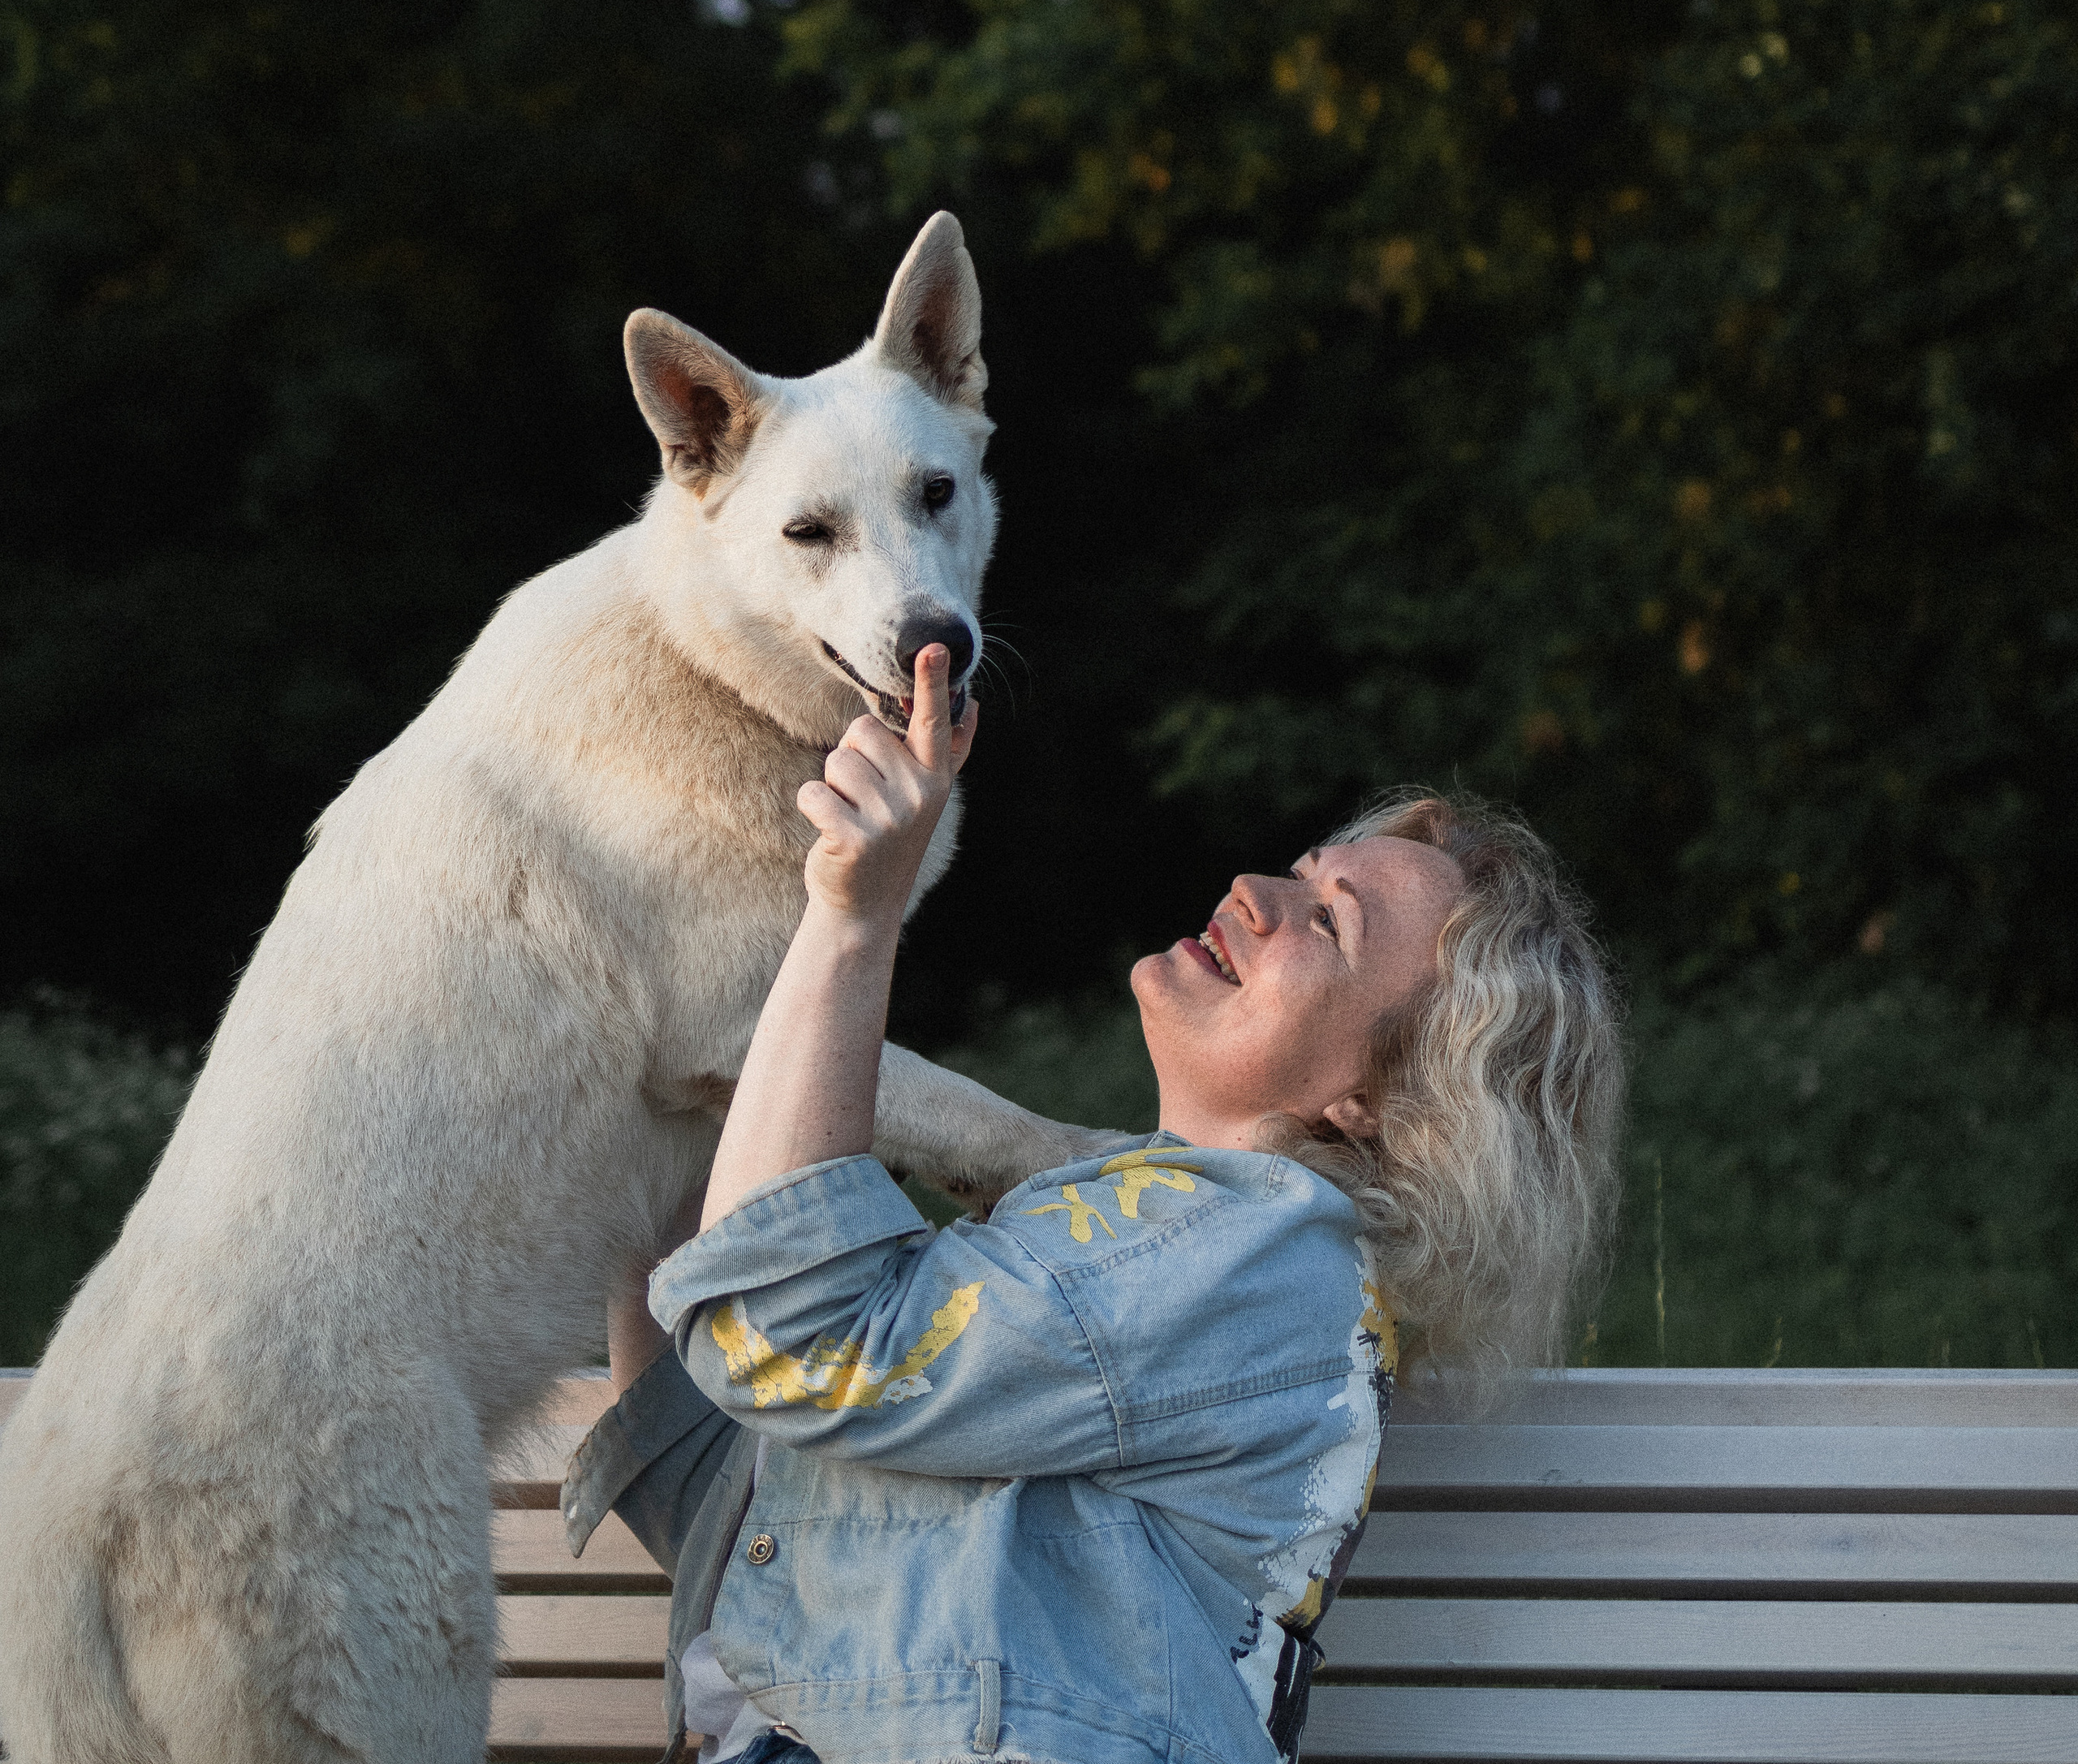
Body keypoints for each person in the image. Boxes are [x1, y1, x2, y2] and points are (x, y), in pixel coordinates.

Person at [561, 650, 1624, 1764]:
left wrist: (852, 919)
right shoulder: (1132, 1251)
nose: (1253, 892)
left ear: (1384, 1103)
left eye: (1328, 922)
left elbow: (786, 1344)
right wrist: (663, 1052)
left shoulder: (1255, 1260)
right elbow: (743, 1486)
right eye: (1299, 873)